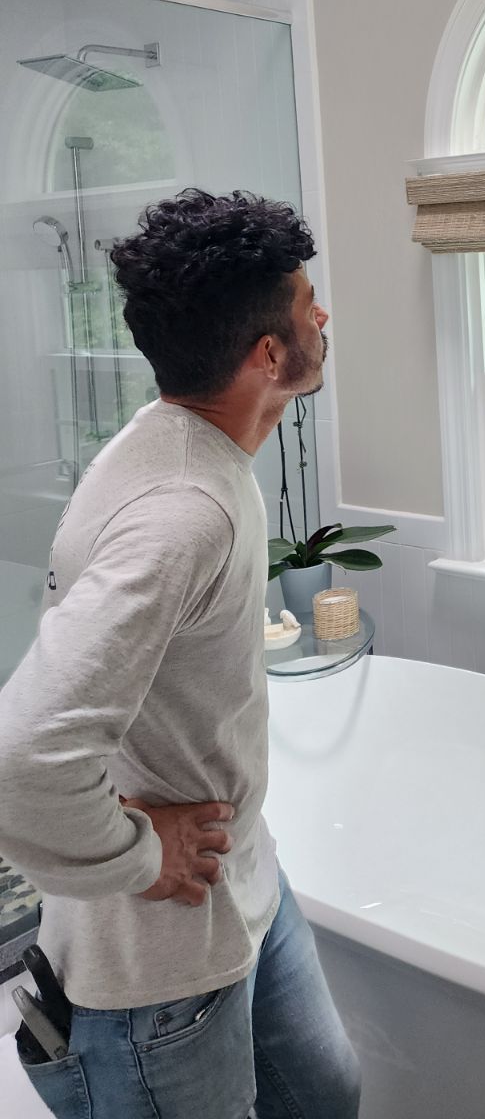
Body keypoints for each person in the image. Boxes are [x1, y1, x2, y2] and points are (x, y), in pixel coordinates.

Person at [0, 189, 360, 1119]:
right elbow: (20, 766)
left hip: (244, 885)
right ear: (269, 355)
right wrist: (134, 855)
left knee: (325, 1093)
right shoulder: (184, 513)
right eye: (306, 300)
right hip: (157, 961)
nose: (323, 312)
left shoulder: (185, 443)